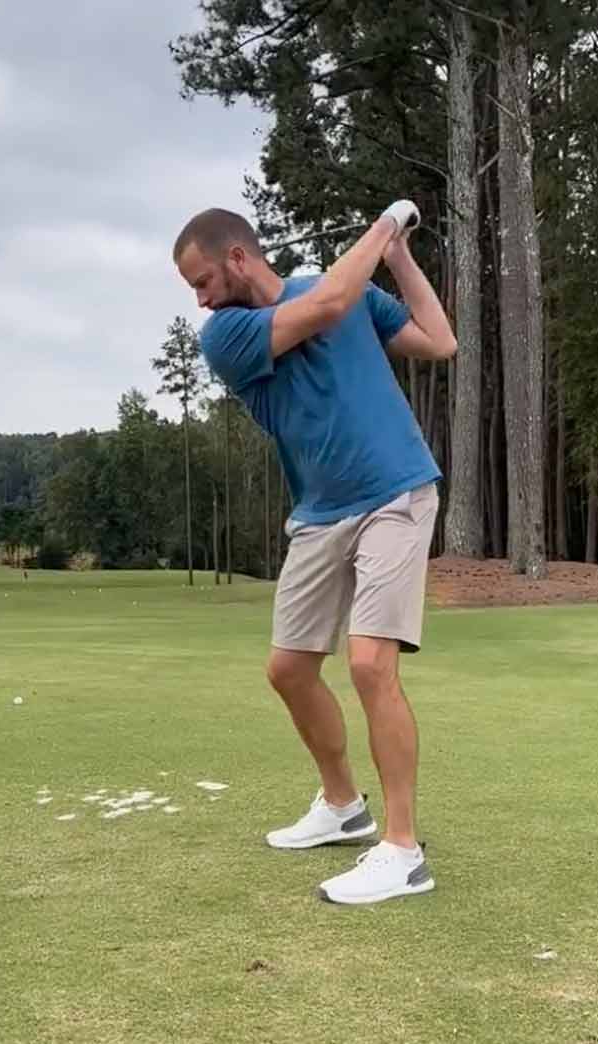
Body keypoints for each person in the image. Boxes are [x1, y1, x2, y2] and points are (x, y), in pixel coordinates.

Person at [171, 202, 457, 905]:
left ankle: (402, 849)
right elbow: (330, 302)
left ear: (239, 257)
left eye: (203, 280)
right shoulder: (228, 335)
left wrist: (399, 260)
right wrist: (385, 225)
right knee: (289, 669)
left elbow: (439, 340)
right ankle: (342, 806)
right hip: (320, 514)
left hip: (396, 489)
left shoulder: (345, 286)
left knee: (368, 662)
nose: (200, 300)